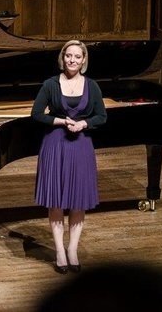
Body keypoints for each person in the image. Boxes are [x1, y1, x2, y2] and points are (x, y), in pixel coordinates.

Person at [31, 40, 107, 274]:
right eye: (68, 56)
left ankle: (72, 249)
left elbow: (101, 116)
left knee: (78, 199)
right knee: (56, 199)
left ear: (84, 60)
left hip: (81, 146)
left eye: (77, 56)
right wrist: (62, 121)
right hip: (55, 145)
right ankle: (59, 251)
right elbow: (36, 114)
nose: (72, 60)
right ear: (62, 58)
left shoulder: (92, 86)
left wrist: (84, 122)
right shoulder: (50, 85)